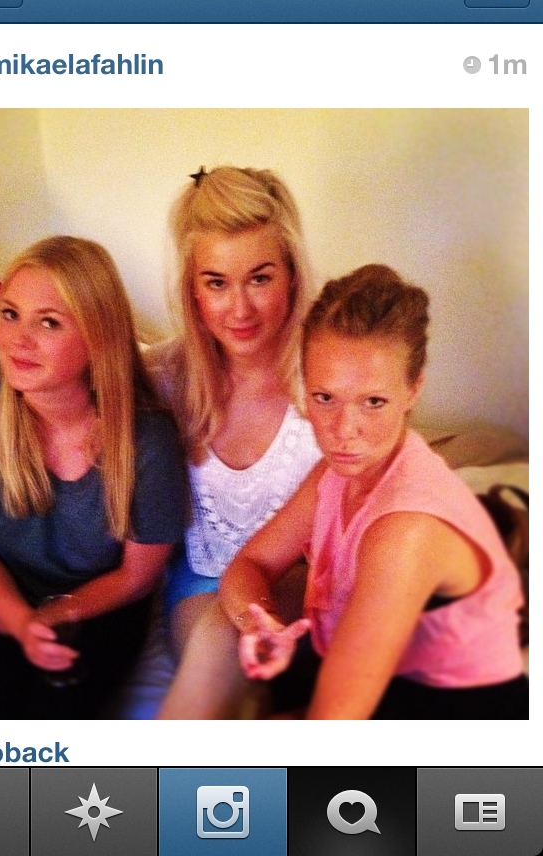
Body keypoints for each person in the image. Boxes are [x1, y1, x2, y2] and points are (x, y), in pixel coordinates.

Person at [218, 264, 528, 719]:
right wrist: (260, 622)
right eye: (325, 397)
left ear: (413, 390)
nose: (345, 432)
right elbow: (251, 564)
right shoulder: (336, 474)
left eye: (374, 402)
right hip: (364, 671)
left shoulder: (405, 532)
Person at [0, 236, 188, 719]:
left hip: (102, 607)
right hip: (3, 592)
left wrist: (49, 618)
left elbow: (137, 576)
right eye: (10, 314)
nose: (18, 339)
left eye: (48, 322)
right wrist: (18, 621)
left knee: (46, 726)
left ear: (97, 338)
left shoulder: (148, 441)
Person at [153, 166, 321, 718]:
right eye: (217, 283)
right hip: (201, 583)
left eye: (260, 278)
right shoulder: (166, 378)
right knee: (220, 658)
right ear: (192, 289)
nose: (240, 309)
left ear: (291, 275)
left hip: (300, 580)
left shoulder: (325, 376)